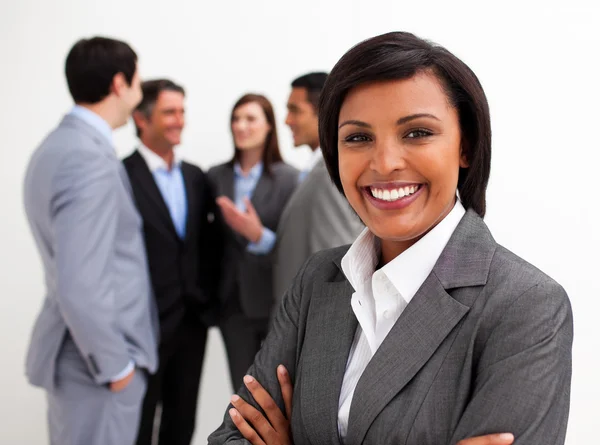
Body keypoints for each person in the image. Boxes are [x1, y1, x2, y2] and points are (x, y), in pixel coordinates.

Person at [208, 32, 573, 445]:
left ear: (465, 147)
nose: (384, 163)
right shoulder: (319, 279)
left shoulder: (526, 305)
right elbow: (229, 437)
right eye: (358, 137)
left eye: (417, 132)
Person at [23, 37, 158, 445]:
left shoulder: (56, 146)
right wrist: (116, 369)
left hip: (81, 359)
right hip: (96, 368)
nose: (140, 88)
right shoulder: (87, 158)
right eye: (137, 79)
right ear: (120, 83)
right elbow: (79, 284)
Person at [123, 79, 221, 445]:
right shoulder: (121, 176)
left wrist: (207, 297)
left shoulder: (196, 177)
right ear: (142, 118)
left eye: (182, 111)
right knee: (137, 426)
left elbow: (210, 245)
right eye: (169, 112)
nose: (179, 120)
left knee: (181, 425)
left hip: (191, 321)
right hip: (141, 325)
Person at [207, 94, 298, 390]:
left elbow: (292, 244)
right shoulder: (215, 177)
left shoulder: (291, 179)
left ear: (269, 126)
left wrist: (258, 236)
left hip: (275, 299)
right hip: (232, 304)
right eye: (236, 118)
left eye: (250, 118)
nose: (241, 126)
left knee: (279, 390)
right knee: (243, 392)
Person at [273, 72, 363, 302]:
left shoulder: (332, 173)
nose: (286, 120)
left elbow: (337, 262)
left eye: (295, 110)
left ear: (323, 113)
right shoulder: (314, 170)